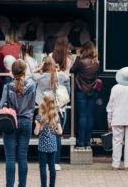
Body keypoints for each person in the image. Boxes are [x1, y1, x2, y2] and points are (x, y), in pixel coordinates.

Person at [0, 59, 36, 187]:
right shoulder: (31, 86)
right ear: (24, 71)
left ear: (12, 72)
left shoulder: (7, 87)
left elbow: (0, 106)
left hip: (10, 122)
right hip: (26, 122)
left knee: (10, 158)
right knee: (23, 158)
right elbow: (32, 106)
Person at [49, 36, 73, 170]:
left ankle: (51, 161)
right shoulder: (70, 58)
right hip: (65, 87)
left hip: (53, 85)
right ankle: (56, 162)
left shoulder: (51, 55)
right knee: (61, 122)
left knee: (51, 122)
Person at [70, 41, 99, 148]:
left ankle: (81, 142)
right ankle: (88, 141)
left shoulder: (81, 61)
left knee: (82, 116)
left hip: (81, 91)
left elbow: (72, 70)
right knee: (90, 116)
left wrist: (77, 57)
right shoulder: (96, 63)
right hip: (92, 91)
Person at [34, 92, 63, 187]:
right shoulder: (56, 116)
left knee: (42, 167)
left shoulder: (40, 117)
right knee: (52, 166)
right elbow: (60, 132)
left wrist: (36, 124)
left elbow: (36, 132)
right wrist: (54, 130)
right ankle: (52, 185)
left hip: (42, 146)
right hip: (53, 145)